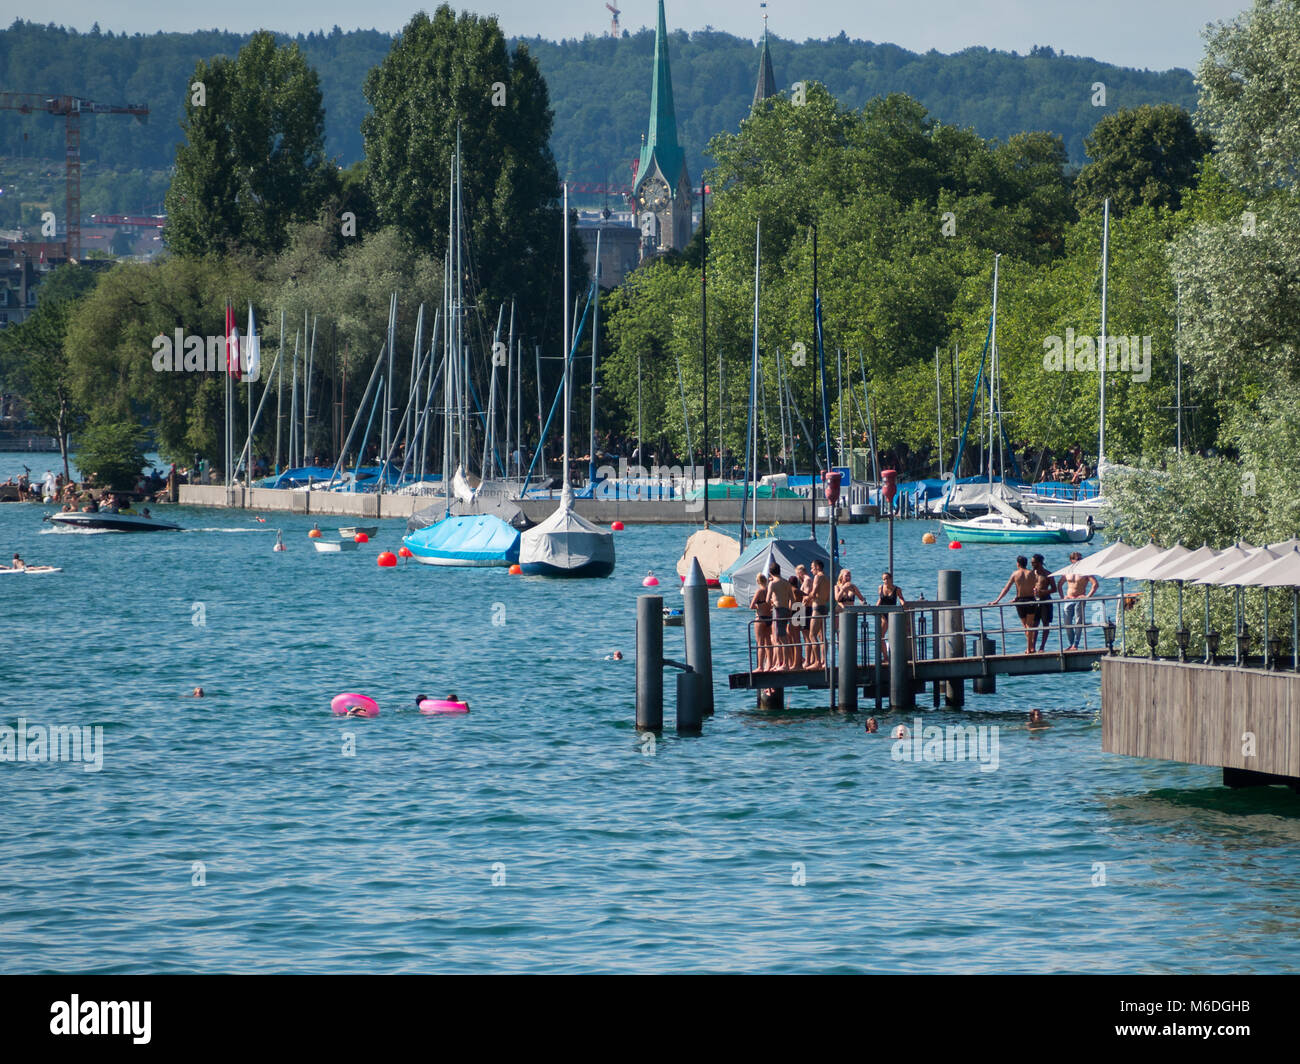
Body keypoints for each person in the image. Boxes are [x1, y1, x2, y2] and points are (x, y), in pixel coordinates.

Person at [991, 556, 1040, 653]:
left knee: (1025, 626)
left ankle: (1028, 648)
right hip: (1030, 600)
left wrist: (997, 600)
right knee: (1030, 626)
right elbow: (1036, 588)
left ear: (1018, 563)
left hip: (1020, 601)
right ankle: (1030, 648)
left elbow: (1006, 588)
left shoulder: (1015, 574)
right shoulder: (1032, 573)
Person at [1058, 551, 1099, 649]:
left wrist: (1087, 597)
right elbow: (1059, 584)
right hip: (1068, 600)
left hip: (1079, 599)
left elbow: (1095, 584)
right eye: (1078, 559)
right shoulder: (1067, 571)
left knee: (1078, 622)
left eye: (1081, 559)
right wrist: (1062, 597)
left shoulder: (1085, 572)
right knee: (1067, 623)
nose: (1080, 561)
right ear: (1072, 560)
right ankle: (1071, 643)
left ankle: (1075, 644)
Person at [766, 563, 796, 671]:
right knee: (782, 638)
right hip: (786, 610)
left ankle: (784, 664)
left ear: (770, 572)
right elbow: (792, 599)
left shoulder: (772, 583)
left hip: (777, 610)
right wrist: (790, 610)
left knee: (780, 639)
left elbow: (767, 599)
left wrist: (772, 602)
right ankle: (780, 663)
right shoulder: (786, 583)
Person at [807, 560, 831, 669]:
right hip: (824, 607)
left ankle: (817, 662)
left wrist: (807, 598)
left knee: (812, 635)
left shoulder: (818, 577)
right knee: (822, 636)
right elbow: (828, 596)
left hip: (817, 607)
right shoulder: (827, 578)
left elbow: (814, 591)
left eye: (812, 567)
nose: (811, 570)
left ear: (817, 567)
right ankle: (824, 661)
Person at [876, 571, 905, 658]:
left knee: (892, 635)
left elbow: (901, 599)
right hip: (882, 614)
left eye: (887, 578)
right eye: (883, 579)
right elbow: (880, 599)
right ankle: (885, 657)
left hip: (892, 613)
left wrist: (903, 605)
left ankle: (894, 656)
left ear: (891, 579)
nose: (885, 581)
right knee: (881, 636)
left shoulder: (897, 589)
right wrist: (875, 608)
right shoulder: (880, 588)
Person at [1031, 554, 1056, 652]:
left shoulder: (1048, 574)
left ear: (1040, 563)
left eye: (1034, 562)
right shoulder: (1031, 574)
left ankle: (1042, 646)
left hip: (1045, 600)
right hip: (1034, 600)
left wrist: (1043, 592)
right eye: (1031, 562)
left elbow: (1054, 589)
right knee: (1034, 624)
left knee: (1045, 624)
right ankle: (1032, 646)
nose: (1032, 564)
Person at [750, 573, 775, 672]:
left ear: (758, 581)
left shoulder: (759, 591)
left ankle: (760, 667)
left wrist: (758, 607)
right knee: (768, 643)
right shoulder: (769, 590)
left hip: (760, 618)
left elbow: (751, 606)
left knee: (760, 644)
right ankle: (770, 665)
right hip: (769, 618)